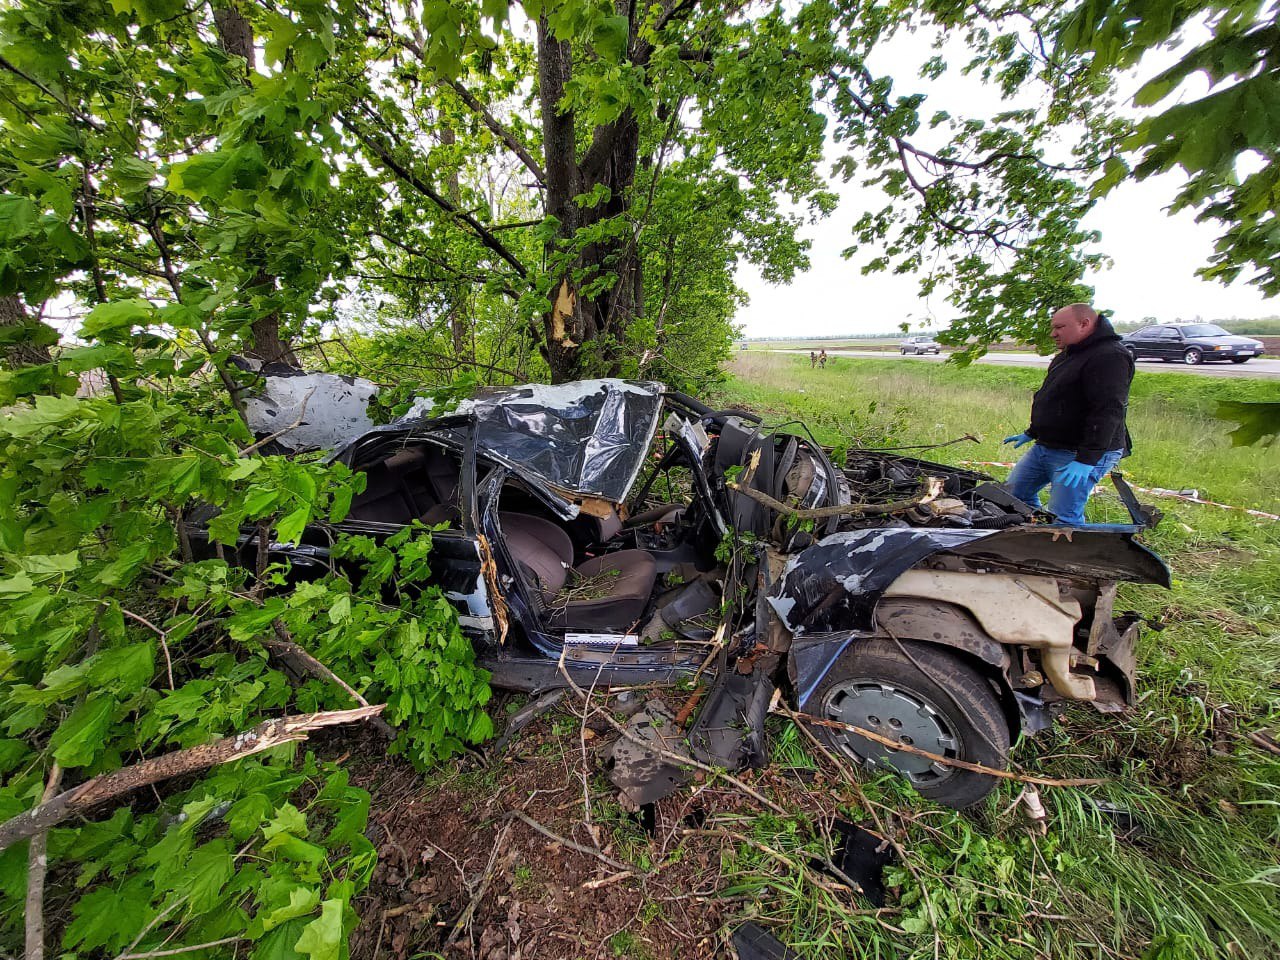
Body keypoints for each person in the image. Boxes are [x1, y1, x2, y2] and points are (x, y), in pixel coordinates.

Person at [1002, 303, 1134, 525]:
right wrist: (1032, 432)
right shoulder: (1068, 354)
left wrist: (1086, 459)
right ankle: (1036, 534)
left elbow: (1107, 411)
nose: (1053, 333)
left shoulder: (1110, 356)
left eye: (1060, 327)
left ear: (1084, 324)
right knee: (1011, 497)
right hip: (1046, 446)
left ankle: (1062, 555)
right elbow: (1055, 398)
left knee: (1064, 518)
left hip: (1078, 453)